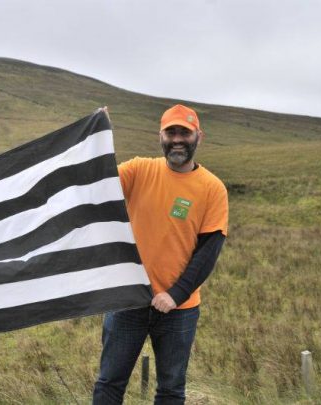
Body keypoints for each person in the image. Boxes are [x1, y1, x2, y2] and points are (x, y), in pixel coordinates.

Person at [93, 104, 228, 404]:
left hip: (179, 310)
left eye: (185, 132)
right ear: (160, 136)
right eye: (171, 132)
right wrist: (100, 134)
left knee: (170, 390)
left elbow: (208, 251)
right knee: (109, 384)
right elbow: (97, 181)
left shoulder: (212, 189)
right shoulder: (139, 170)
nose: (177, 139)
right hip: (128, 301)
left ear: (199, 137)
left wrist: (175, 295)